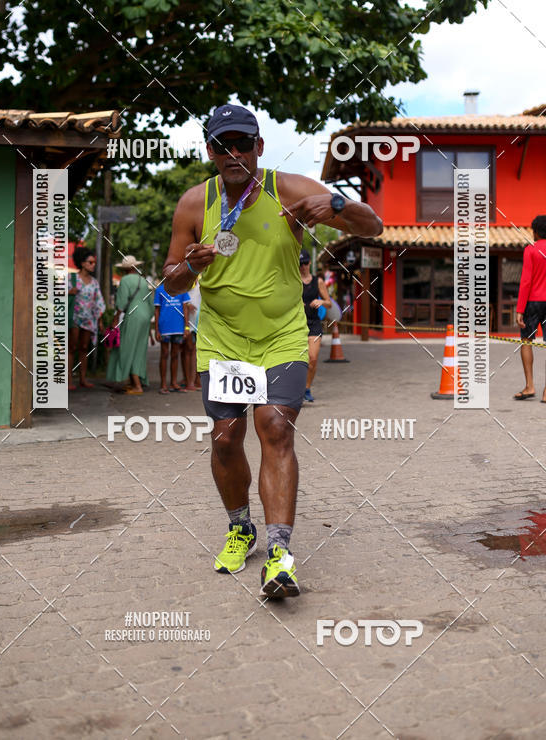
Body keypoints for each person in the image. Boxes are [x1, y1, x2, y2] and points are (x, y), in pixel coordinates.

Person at [162, 102, 382, 598]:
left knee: (275, 427)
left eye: (243, 142)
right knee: (224, 439)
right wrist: (191, 267)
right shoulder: (195, 204)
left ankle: (280, 555)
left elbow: (375, 227)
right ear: (210, 151)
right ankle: (241, 527)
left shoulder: (291, 190)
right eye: (223, 145)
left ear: (259, 147)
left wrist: (340, 207)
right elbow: (172, 282)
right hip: (222, 338)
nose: (234, 152)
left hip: (282, 333)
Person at [515, 215, 546, 403]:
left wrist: (520, 309)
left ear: (535, 231)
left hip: (533, 301)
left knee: (527, 341)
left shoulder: (530, 250)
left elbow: (526, 281)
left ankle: (529, 386)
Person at [106, 255, 154, 395]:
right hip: (145, 316)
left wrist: (115, 318)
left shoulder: (125, 280)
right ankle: (136, 382)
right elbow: (150, 303)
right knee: (139, 349)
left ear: (124, 269)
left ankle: (137, 385)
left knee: (128, 348)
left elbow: (121, 302)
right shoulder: (143, 280)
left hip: (133, 316)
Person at [68, 247, 105, 390]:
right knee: (72, 347)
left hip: (89, 319)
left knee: (84, 348)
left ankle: (83, 379)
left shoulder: (94, 282)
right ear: (82, 263)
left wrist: (100, 321)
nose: (93, 265)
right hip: (75, 317)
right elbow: (57, 293)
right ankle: (68, 381)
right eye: (90, 262)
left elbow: (98, 302)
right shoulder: (71, 278)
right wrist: (69, 292)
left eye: (94, 262)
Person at [300, 248, 332, 402]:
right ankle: (296, 390)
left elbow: (330, 304)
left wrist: (321, 301)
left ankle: (306, 388)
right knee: (297, 360)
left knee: (312, 358)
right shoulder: (292, 280)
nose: (303, 266)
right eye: (300, 263)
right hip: (296, 325)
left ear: (310, 262)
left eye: (305, 263)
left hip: (314, 324)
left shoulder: (317, 281)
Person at [154, 280, 190, 393]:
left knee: (175, 354)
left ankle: (173, 383)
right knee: (164, 354)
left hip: (178, 327)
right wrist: (156, 330)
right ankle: (163, 384)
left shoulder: (182, 288)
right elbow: (157, 310)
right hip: (164, 327)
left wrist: (186, 327)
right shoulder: (160, 289)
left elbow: (185, 308)